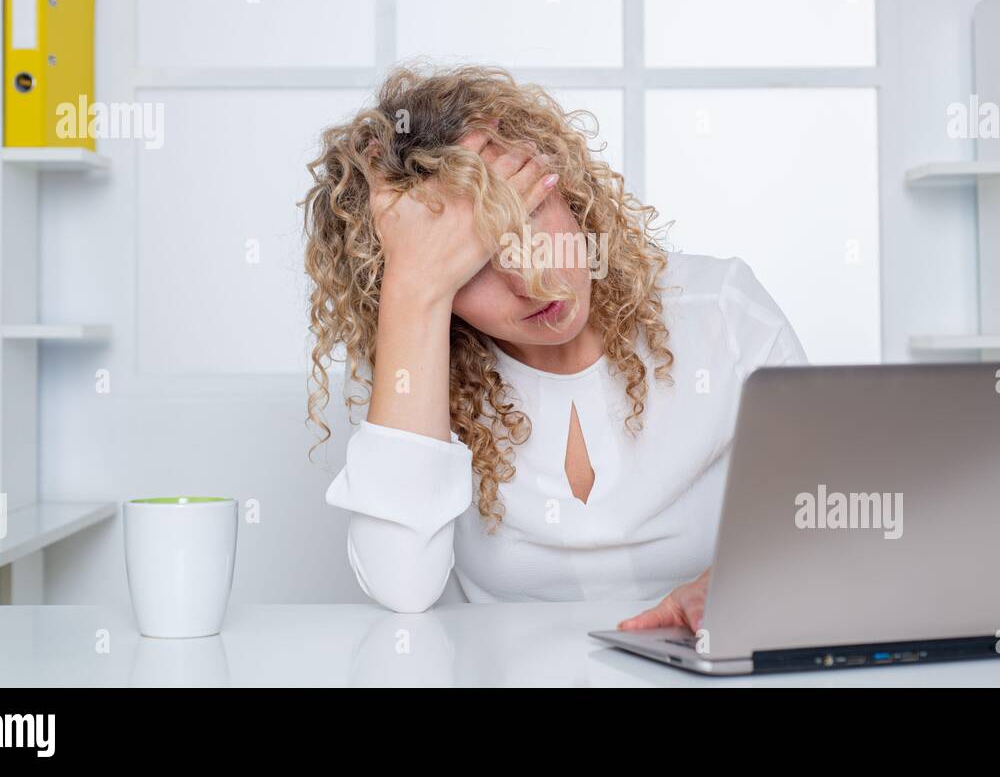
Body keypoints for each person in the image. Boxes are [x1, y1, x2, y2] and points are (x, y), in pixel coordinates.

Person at [303, 64, 807, 633]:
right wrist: (413, 292)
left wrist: (745, 583)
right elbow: (401, 586)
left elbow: (831, 520)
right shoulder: (419, 365)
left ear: (563, 186)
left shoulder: (723, 314)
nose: (530, 281)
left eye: (529, 219)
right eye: (469, 262)